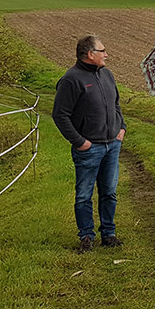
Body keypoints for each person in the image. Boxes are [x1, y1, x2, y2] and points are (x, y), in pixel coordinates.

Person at [52, 35, 126, 254]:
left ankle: (109, 234)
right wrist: (79, 141)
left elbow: (116, 104)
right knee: (84, 194)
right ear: (89, 54)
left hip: (112, 144)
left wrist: (121, 128)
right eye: (102, 51)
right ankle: (86, 236)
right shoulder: (71, 79)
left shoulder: (107, 75)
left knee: (109, 192)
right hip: (89, 148)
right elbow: (60, 115)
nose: (106, 54)